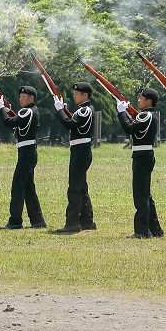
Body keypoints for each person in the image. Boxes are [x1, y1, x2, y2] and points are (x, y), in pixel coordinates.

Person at [0, 86, 45, 230]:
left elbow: (9, 123)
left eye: (23, 97)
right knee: (28, 187)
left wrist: (1, 108)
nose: (20, 99)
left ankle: (15, 221)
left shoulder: (27, 111)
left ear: (31, 98)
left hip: (27, 152)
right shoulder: (31, 112)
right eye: (20, 97)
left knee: (18, 186)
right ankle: (38, 220)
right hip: (27, 151)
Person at [54, 82, 98, 235]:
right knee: (81, 187)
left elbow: (70, 124)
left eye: (77, 94)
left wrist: (60, 110)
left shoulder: (85, 110)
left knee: (74, 188)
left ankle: (72, 223)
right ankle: (87, 220)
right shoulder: (82, 110)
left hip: (81, 150)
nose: (74, 96)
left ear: (85, 95)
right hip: (79, 150)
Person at [119, 88, 163, 239]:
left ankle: (142, 230)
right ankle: (155, 228)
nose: (139, 100)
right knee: (145, 193)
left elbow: (129, 128)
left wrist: (122, 112)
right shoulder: (146, 115)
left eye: (141, 98)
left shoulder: (145, 115)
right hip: (143, 154)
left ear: (149, 101)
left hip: (142, 155)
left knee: (140, 194)